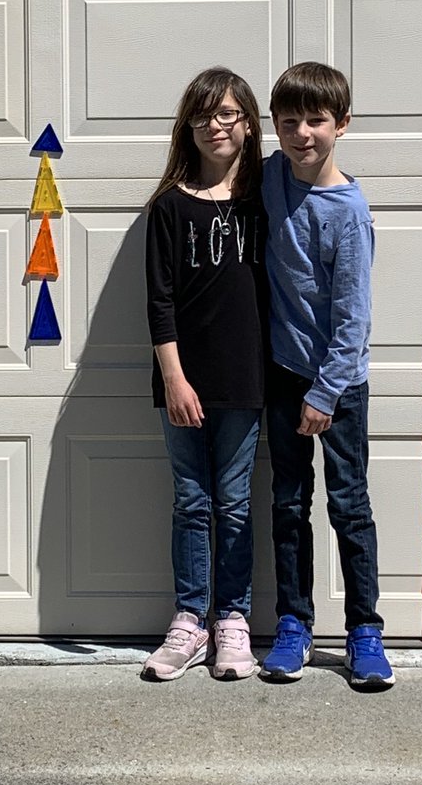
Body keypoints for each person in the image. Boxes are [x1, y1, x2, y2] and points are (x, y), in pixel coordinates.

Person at [258, 62, 394, 689]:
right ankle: (294, 625)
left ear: (342, 124)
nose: (302, 133)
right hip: (283, 374)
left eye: (316, 121)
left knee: (349, 506)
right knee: (289, 504)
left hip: (337, 385)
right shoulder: (269, 177)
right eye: (289, 122)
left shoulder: (348, 212)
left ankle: (365, 631)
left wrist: (325, 393)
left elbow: (352, 320)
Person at [142, 67, 269, 682]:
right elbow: (158, 300)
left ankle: (233, 623)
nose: (215, 125)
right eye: (203, 115)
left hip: (244, 378)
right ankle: (190, 620)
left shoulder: (266, 200)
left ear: (248, 122)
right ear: (186, 127)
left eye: (227, 114)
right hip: (181, 382)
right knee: (192, 501)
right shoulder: (168, 208)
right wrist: (173, 379)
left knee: (235, 503)